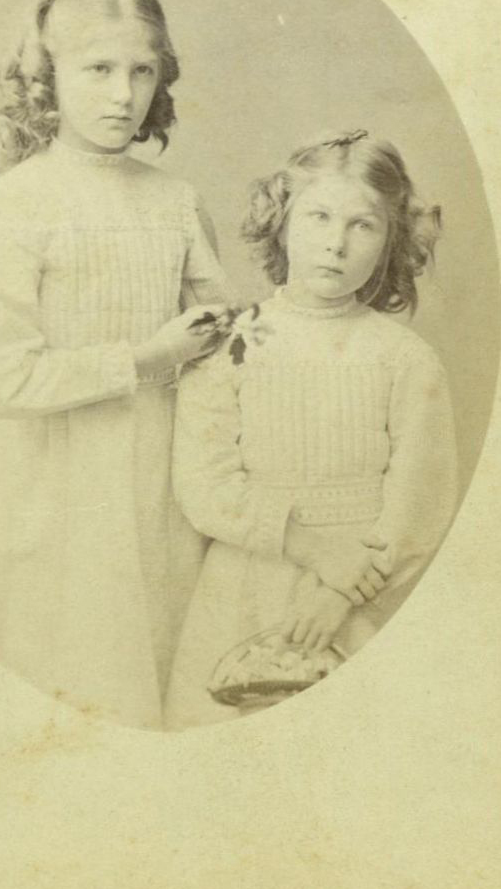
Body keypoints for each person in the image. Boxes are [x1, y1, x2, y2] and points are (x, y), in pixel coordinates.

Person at [0, 0, 234, 729]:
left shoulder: (174, 201)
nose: (122, 94)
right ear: (46, 75)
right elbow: (4, 378)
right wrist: (146, 359)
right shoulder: (16, 204)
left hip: (156, 484)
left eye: (141, 70)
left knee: (150, 687)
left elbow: (218, 334)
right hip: (46, 487)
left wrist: (224, 336)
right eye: (98, 69)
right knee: (55, 694)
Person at [166, 130, 458, 728]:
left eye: (362, 225)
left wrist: (341, 593)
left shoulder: (405, 360)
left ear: (391, 240)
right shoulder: (230, 345)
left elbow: (419, 503)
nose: (336, 243)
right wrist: (313, 549)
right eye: (318, 217)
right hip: (243, 590)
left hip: (358, 599)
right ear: (281, 222)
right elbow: (205, 486)